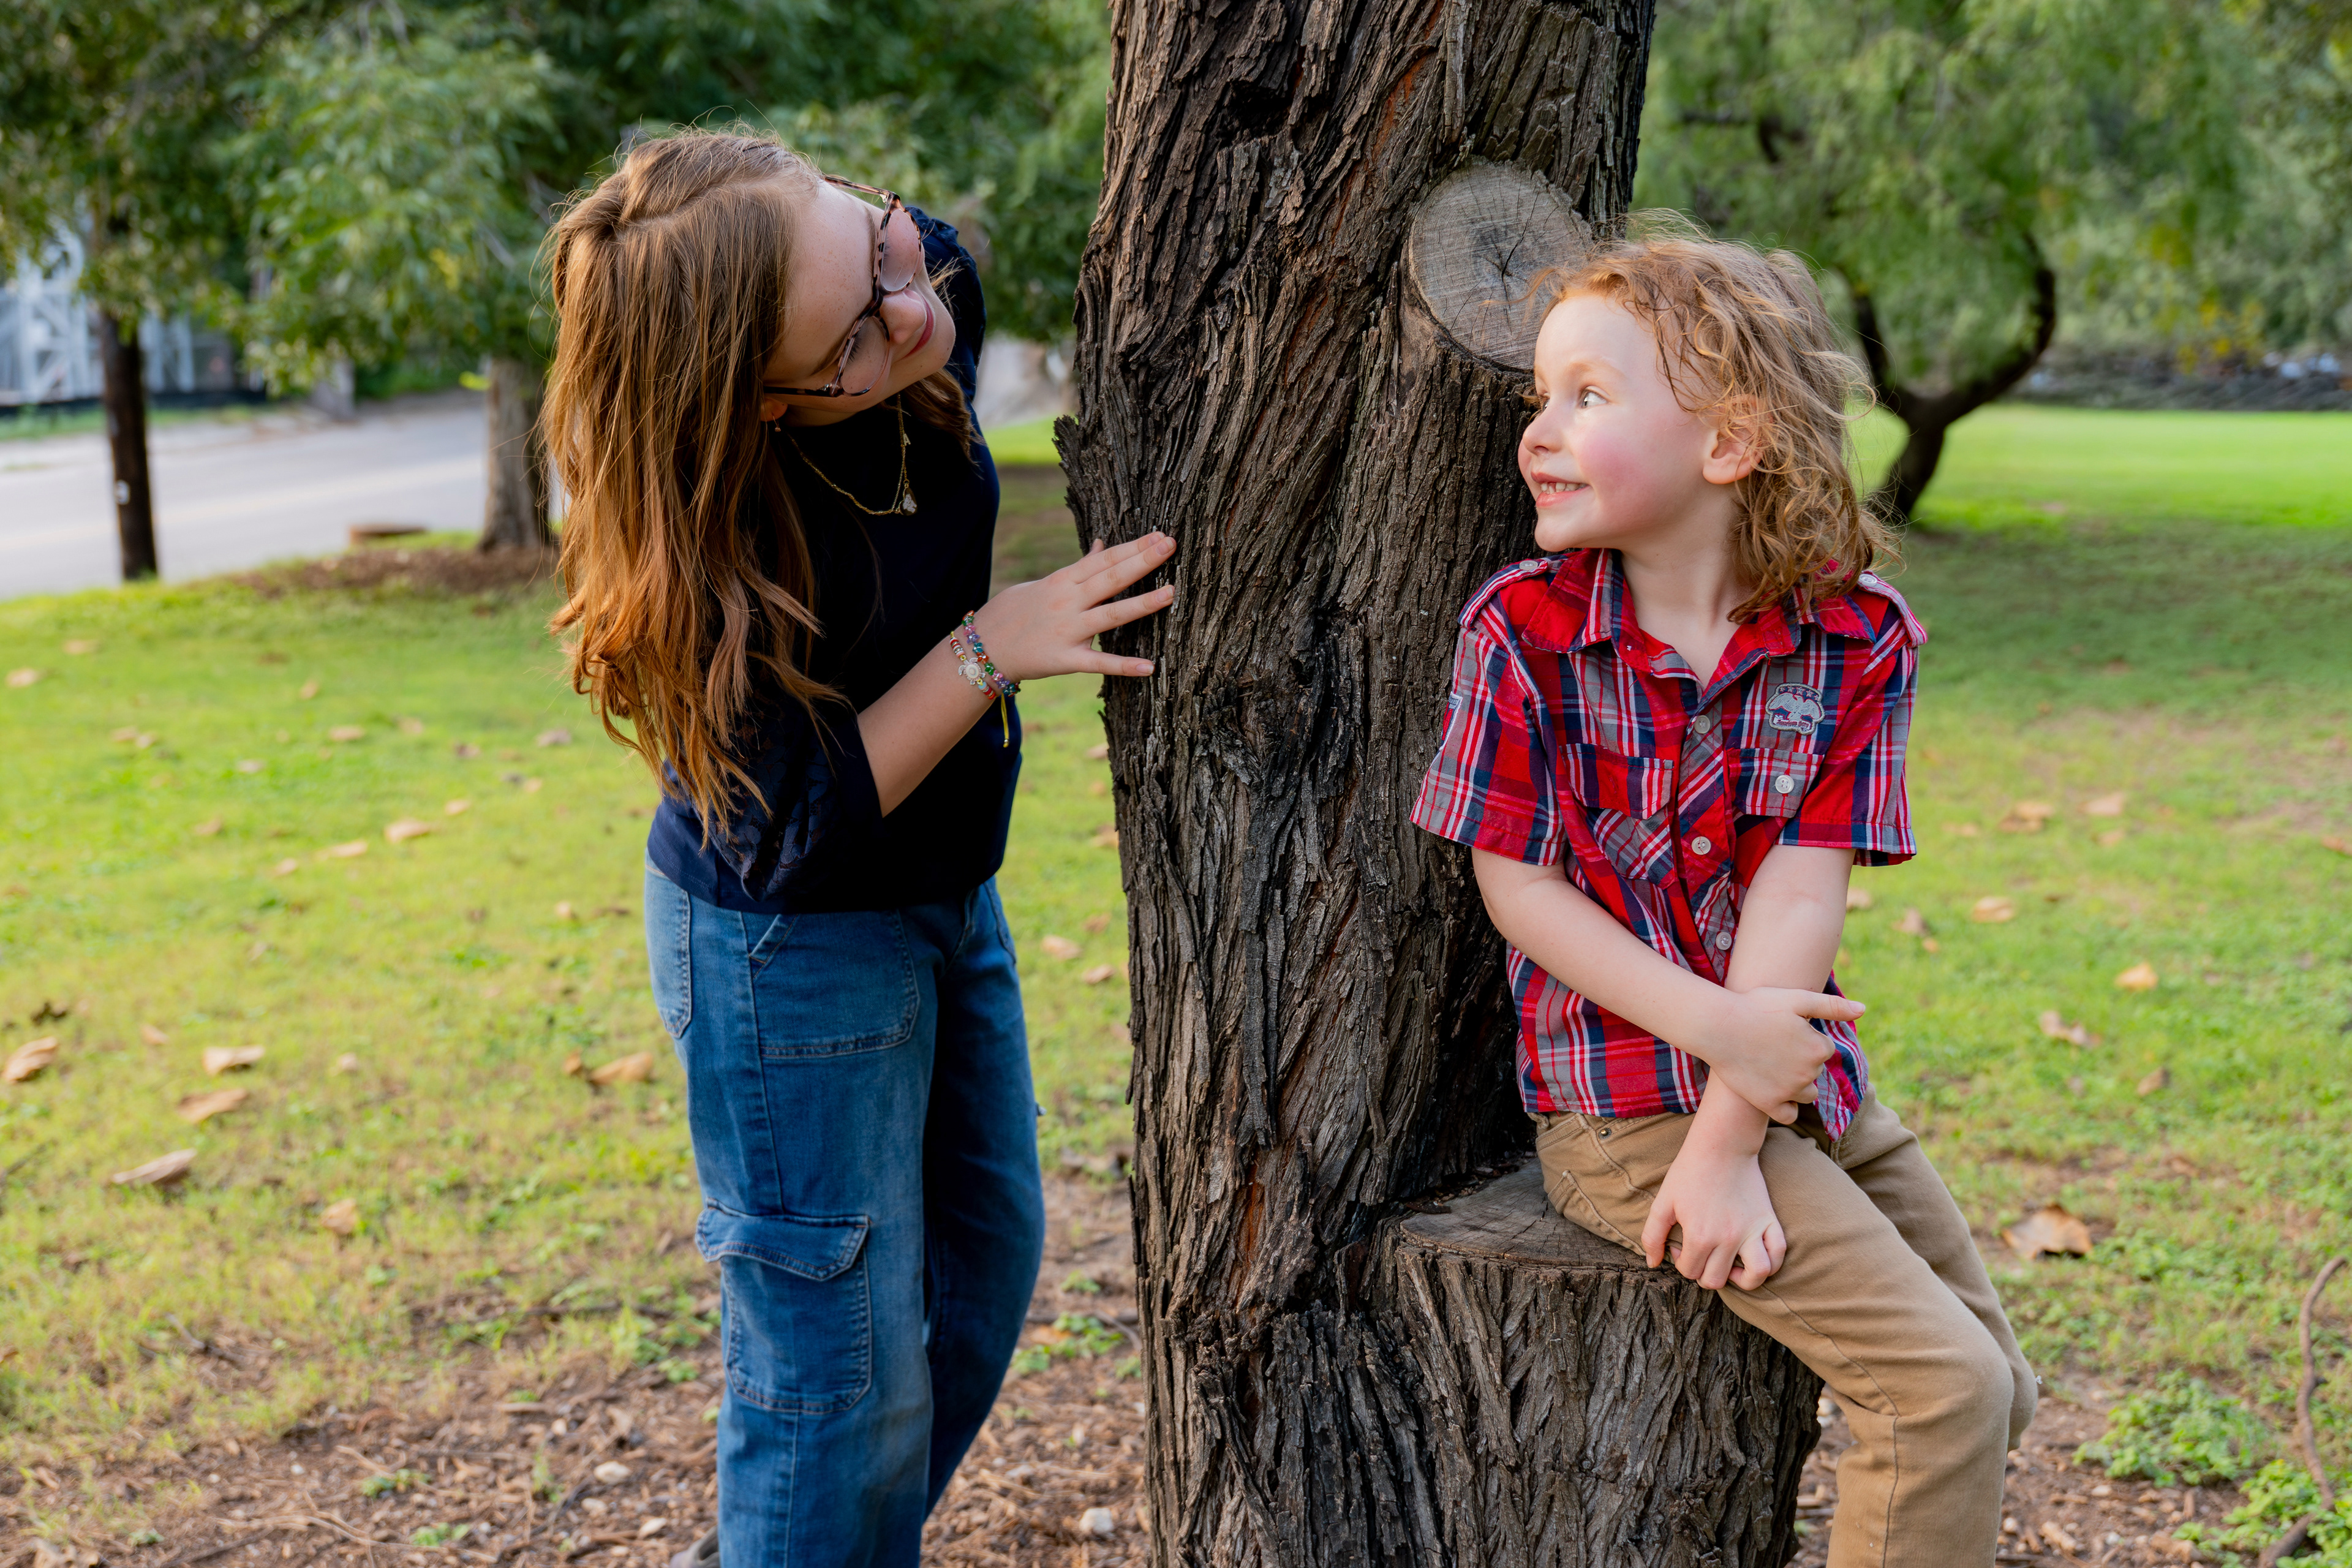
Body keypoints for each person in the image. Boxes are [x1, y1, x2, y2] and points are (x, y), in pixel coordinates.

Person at [540, 129, 1175, 1568]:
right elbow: (791, 828)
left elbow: (908, 279)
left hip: (943, 893)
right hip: (791, 951)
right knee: (836, 1375)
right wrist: (988, 647)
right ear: (761, 403)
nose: (918, 313)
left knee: (982, 1274)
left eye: (882, 241)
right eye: (855, 338)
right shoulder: (712, 537)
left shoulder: (901, 269)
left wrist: (885, 265)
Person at [1409, 222, 2036, 1567]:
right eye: (1541, 397)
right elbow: (1519, 889)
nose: (1538, 432)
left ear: (1731, 440)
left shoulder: (1856, 636)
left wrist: (1738, 1122)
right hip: (1628, 1105)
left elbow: (1802, 895)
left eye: (1588, 395)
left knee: (1997, 1387)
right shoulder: (1522, 632)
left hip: (1793, 1080)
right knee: (1942, 1397)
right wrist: (1716, 1086)